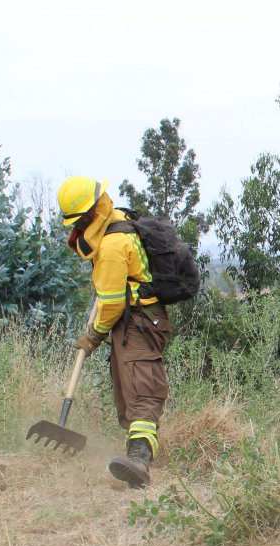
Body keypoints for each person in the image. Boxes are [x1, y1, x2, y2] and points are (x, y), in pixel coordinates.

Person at [58, 176, 172, 488]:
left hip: (140, 320)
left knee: (142, 390)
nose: (76, 228)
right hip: (134, 320)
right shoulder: (116, 219)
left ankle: (139, 461)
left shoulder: (111, 244)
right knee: (130, 390)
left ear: (89, 215)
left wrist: (93, 336)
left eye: (79, 221)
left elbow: (110, 304)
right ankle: (135, 456)